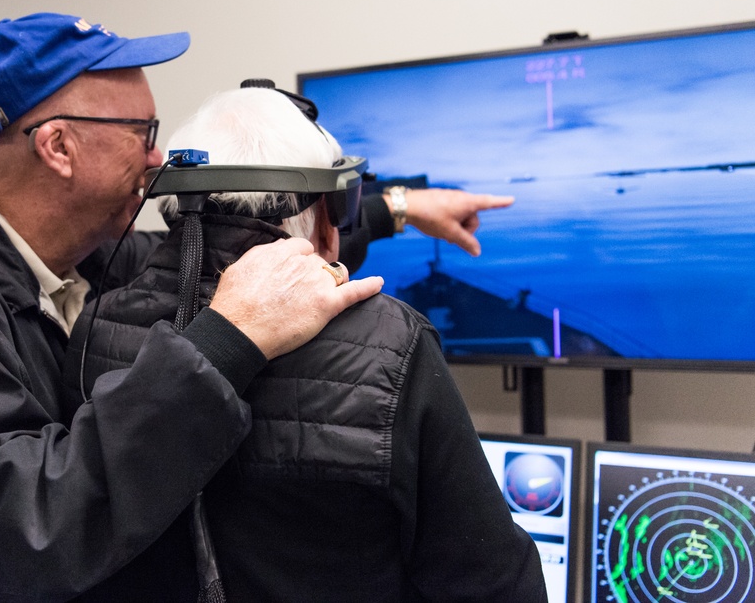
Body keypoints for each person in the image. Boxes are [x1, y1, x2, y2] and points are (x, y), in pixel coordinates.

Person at [0, 12, 513, 602]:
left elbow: (242, 239)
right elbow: (23, 533)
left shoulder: (90, 258)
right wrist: (230, 338)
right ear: (59, 146)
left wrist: (395, 207)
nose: (159, 160)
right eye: (143, 134)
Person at [73, 86, 548, 601]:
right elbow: (491, 577)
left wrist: (399, 208)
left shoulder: (93, 328)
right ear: (327, 213)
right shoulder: (391, 343)